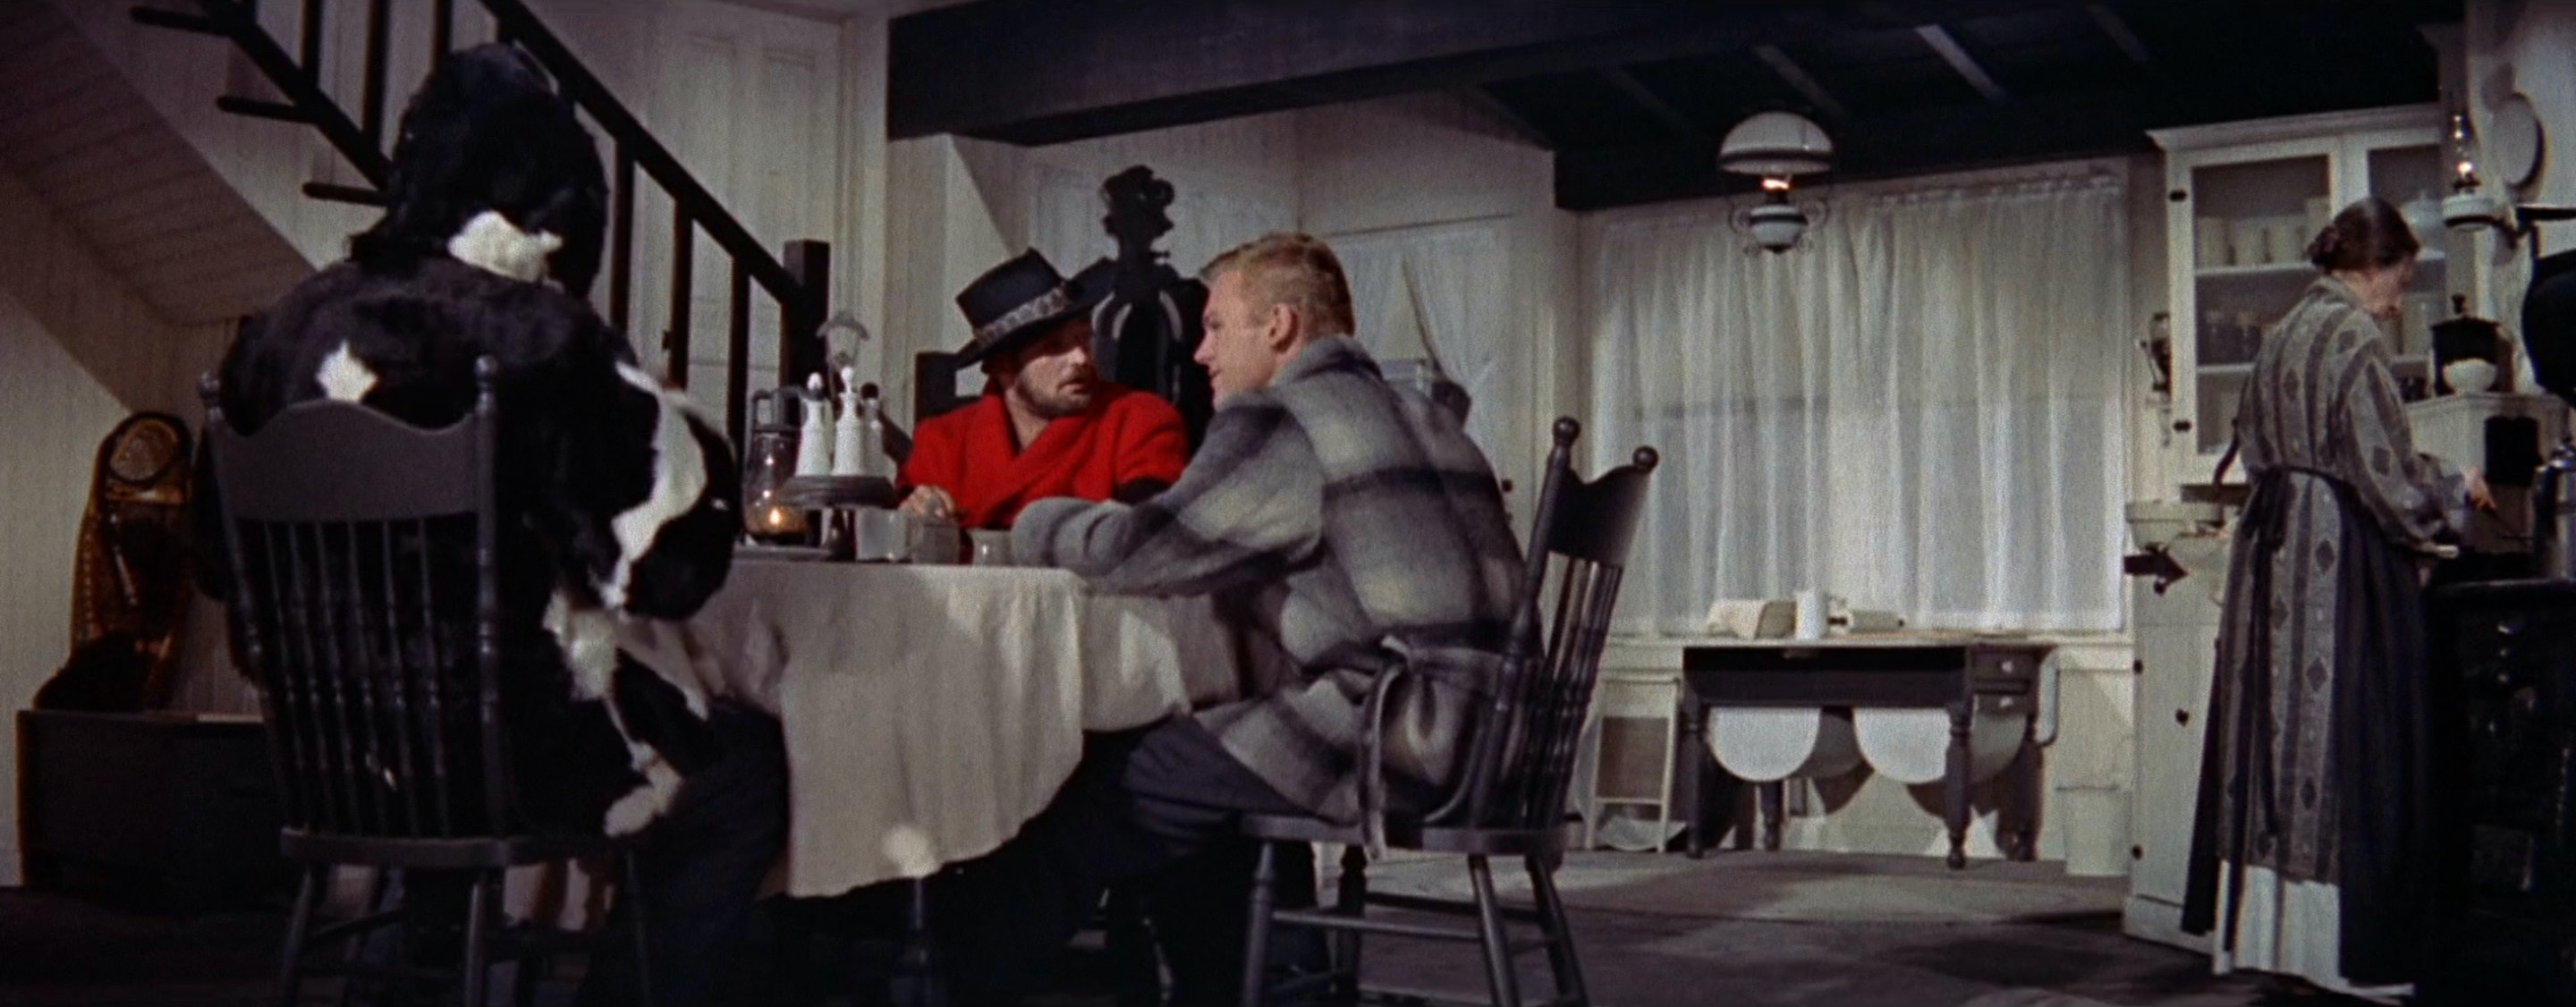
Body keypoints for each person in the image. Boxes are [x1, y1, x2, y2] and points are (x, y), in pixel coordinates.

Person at [196, 43, 784, 1006]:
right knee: (743, 773)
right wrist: (689, 443)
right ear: (554, 213)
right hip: (498, 755)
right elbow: (667, 574)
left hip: (332, 757)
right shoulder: (539, 337)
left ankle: (406, 980)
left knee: (485, 734)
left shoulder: (274, 334)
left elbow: (217, 564)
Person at [914, 232, 1522, 1004]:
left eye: (1215, 327)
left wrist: (1034, 523)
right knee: (1204, 782)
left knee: (1113, 785)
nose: (1201, 352)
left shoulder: (1285, 418)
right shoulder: (1424, 414)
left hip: (1400, 735)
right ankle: (1237, 985)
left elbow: (1142, 552)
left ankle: (957, 983)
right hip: (1502, 739)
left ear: (1279, 327)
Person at [2181, 196, 2487, 1003]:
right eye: (2400, 284)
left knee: (2274, 741)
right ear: (2375, 268)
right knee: (2356, 732)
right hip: (2333, 558)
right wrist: (2454, 492)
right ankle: (2345, 954)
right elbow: (2382, 473)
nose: (2396, 304)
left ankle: (2275, 940)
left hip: (2270, 552)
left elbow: (2262, 448)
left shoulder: (2282, 335)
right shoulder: (2353, 337)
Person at [897, 250, 1190, 529]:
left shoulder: (1138, 419)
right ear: (1002, 367)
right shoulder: (942, 442)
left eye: (1084, 338)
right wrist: (916, 513)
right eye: (1054, 347)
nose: (1081, 358)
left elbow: (1144, 535)